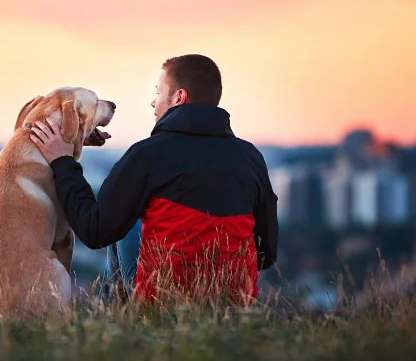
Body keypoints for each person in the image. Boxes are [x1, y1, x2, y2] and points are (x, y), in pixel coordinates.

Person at [30, 54, 278, 305]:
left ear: (179, 98)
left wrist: (63, 163)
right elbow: (266, 254)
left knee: (123, 227)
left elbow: (94, 231)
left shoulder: (148, 154)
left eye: (159, 93)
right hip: (233, 303)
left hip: (164, 301)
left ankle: (112, 327)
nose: (153, 102)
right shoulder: (251, 158)